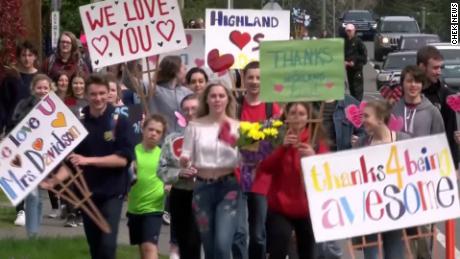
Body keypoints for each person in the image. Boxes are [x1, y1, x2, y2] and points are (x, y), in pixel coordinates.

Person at [42, 74, 134, 259]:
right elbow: (71, 162)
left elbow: (123, 160)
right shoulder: (79, 123)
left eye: (102, 93)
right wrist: (53, 181)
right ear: (86, 94)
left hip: (112, 192)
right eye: (93, 94)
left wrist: (88, 161)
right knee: (95, 247)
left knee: (107, 246)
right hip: (87, 194)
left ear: (109, 94)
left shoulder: (120, 121)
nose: (98, 98)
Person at [259, 102, 329, 259]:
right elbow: (264, 167)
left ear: (309, 117)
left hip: (308, 208)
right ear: (286, 117)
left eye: (302, 114)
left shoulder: (316, 140)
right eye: (293, 113)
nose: (297, 118)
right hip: (280, 208)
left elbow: (327, 173)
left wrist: (313, 158)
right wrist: (282, 148)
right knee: (278, 248)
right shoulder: (276, 137)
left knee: (308, 252)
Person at [180, 82, 241, 259]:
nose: (217, 99)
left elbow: (245, 158)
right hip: (202, 188)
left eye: (221, 96)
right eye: (213, 96)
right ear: (206, 99)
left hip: (228, 188)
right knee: (209, 246)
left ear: (228, 99)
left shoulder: (238, 126)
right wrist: (184, 160)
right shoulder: (195, 126)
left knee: (222, 245)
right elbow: (185, 154)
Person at [234, 61, 281, 259]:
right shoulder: (235, 107)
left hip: (262, 179)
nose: (254, 81)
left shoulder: (272, 107)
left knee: (258, 235)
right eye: (250, 77)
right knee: (239, 233)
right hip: (237, 176)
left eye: (259, 77)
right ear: (243, 79)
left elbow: (277, 141)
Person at [352, 100, 410, 259]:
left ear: (380, 118)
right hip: (370, 214)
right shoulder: (361, 144)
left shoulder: (404, 140)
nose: (362, 120)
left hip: (396, 213)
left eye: (366, 116)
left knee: (395, 255)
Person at [9, 74, 54, 237]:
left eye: (45, 88)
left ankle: (35, 230)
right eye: (39, 87)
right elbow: (14, 125)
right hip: (27, 155)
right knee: (32, 195)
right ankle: (32, 234)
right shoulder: (23, 104)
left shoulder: (57, 107)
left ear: (51, 89)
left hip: (48, 156)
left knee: (40, 195)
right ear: (33, 89)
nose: (42, 91)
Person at [0, 41, 39, 226]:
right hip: (15, 129)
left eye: (30, 55)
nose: (27, 58)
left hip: (38, 130)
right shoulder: (12, 78)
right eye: (24, 55)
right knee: (17, 169)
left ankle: (33, 206)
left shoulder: (41, 78)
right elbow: (3, 104)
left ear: (35, 57)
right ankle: (20, 209)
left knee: (34, 170)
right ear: (19, 57)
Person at [158, 94, 202, 259]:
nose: (190, 112)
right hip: (181, 196)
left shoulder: (215, 134)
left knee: (214, 243)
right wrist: (178, 173)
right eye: (186, 109)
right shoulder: (172, 139)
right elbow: (161, 169)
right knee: (187, 245)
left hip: (207, 194)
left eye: (194, 109)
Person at [127, 114, 167, 259]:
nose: (153, 134)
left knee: (149, 248)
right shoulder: (132, 152)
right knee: (143, 250)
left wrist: (169, 185)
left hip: (154, 209)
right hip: (134, 208)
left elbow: (172, 175)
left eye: (158, 132)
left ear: (162, 135)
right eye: (150, 129)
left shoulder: (164, 155)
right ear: (143, 129)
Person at [418, 46, 459, 168]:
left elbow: (451, 132)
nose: (439, 72)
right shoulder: (406, 91)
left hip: (438, 161)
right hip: (411, 160)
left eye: (440, 67)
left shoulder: (445, 95)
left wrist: (454, 165)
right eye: (435, 68)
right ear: (422, 67)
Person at [149, 56, 192, 136]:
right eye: (184, 68)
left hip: (183, 142)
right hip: (161, 143)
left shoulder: (187, 92)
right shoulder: (154, 89)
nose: (186, 71)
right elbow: (129, 81)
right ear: (175, 71)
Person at [344, 24, 367, 101]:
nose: (349, 32)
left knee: (358, 90)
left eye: (350, 31)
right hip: (349, 70)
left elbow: (364, 57)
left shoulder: (358, 42)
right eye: (347, 31)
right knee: (352, 90)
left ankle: (358, 106)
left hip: (357, 70)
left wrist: (355, 61)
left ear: (354, 31)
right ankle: (353, 107)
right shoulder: (345, 42)